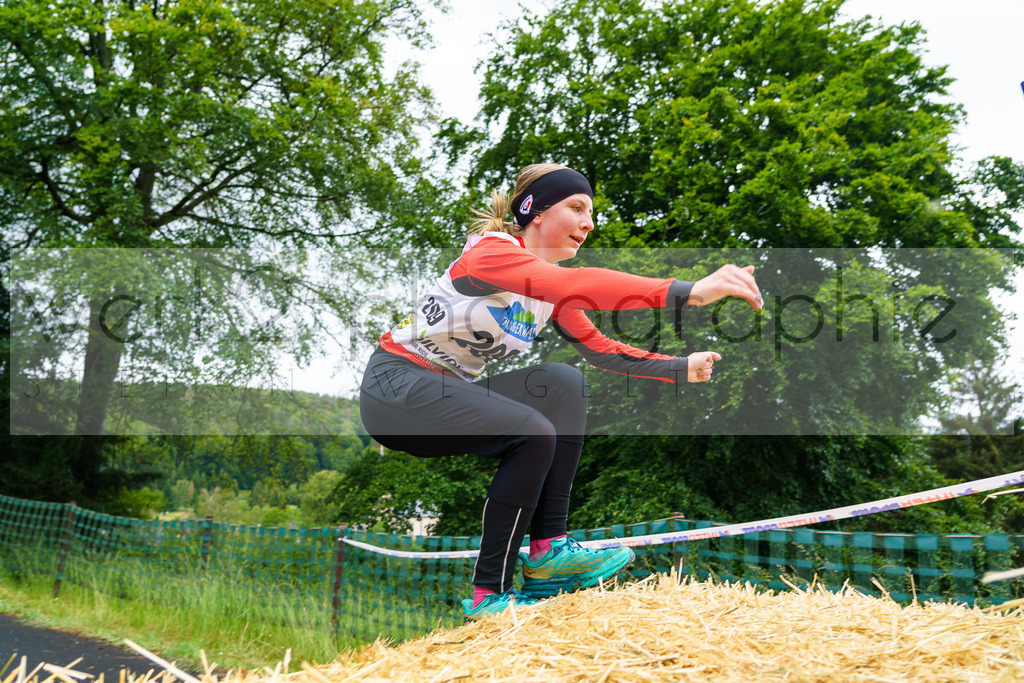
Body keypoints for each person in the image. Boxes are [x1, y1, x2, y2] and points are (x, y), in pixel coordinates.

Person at [359, 163, 763, 618]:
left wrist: (677, 367)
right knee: (533, 431)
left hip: (446, 392)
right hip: (394, 389)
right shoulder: (490, 254)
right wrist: (688, 291)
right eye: (577, 208)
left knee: (564, 382)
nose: (589, 224)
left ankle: (548, 551)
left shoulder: (547, 295)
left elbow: (602, 350)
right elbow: (577, 282)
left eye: (591, 214)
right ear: (535, 212)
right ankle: (486, 595)